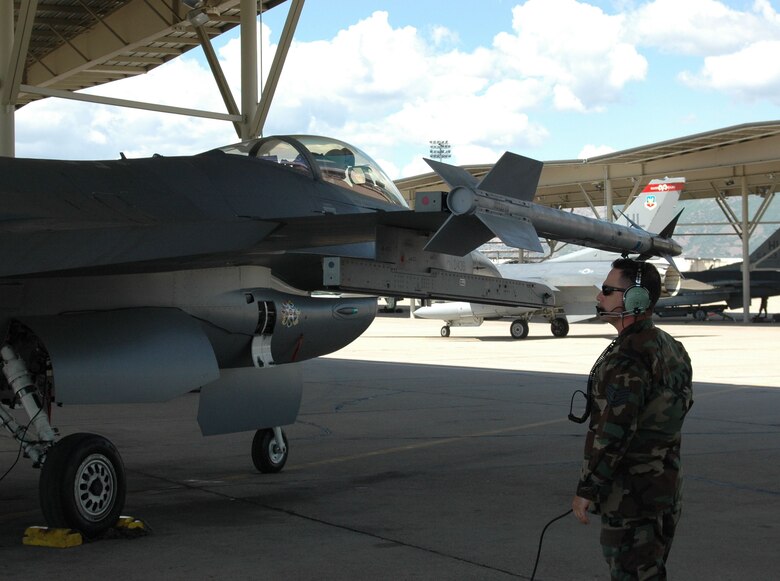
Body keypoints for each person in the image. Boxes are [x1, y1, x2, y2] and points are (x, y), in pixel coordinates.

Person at [571, 258, 694, 580]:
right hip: (665, 487)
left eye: (608, 290)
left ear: (635, 299)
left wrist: (588, 489)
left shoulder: (628, 357)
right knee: (650, 570)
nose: (600, 297)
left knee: (632, 574)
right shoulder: (672, 347)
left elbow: (614, 431)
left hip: (631, 497)